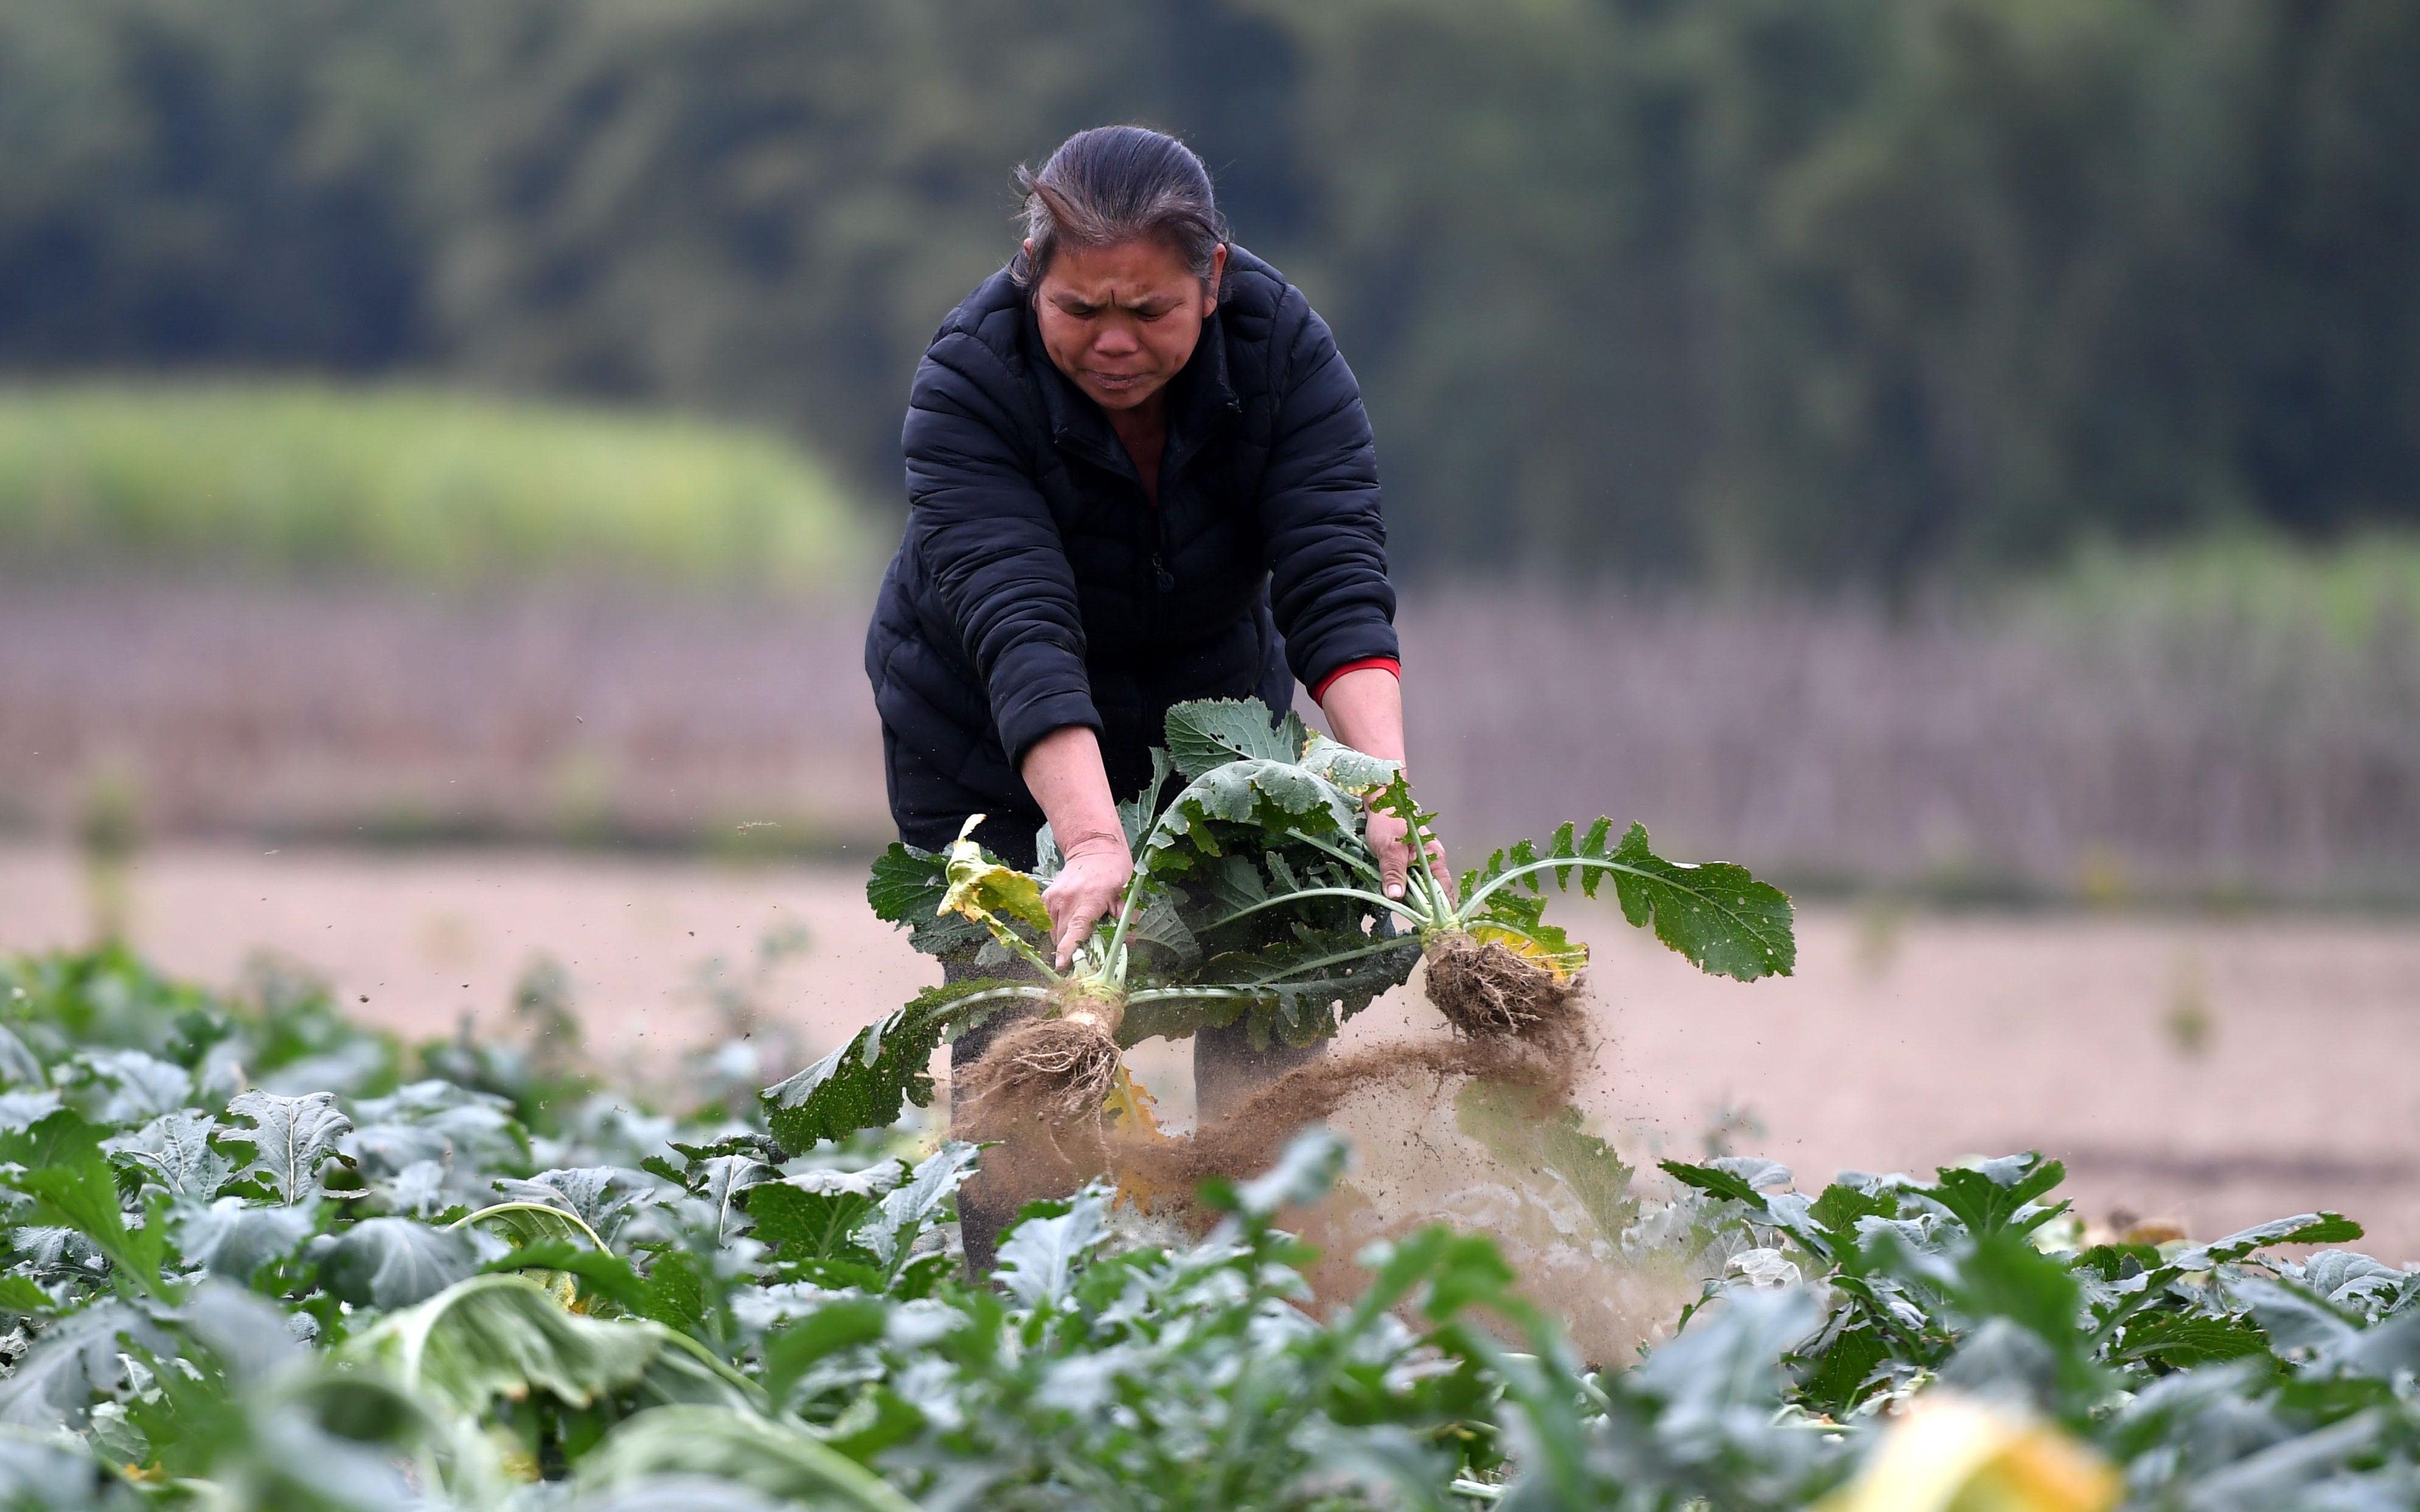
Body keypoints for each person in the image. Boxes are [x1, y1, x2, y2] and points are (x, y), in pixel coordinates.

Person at [864, 124, 1442, 1270]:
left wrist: (1383, 790)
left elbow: (1332, 572)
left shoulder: (1283, 351)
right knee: (1026, 1034)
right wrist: (1084, 839)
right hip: (987, 737)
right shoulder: (969, 381)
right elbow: (1018, 626)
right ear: (1033, 275)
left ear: (1212, 280)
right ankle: (1014, 1311)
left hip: (1214, 728)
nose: (1115, 343)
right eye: (1081, 311)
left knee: (1261, 997)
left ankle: (1265, 1286)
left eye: (1150, 313)